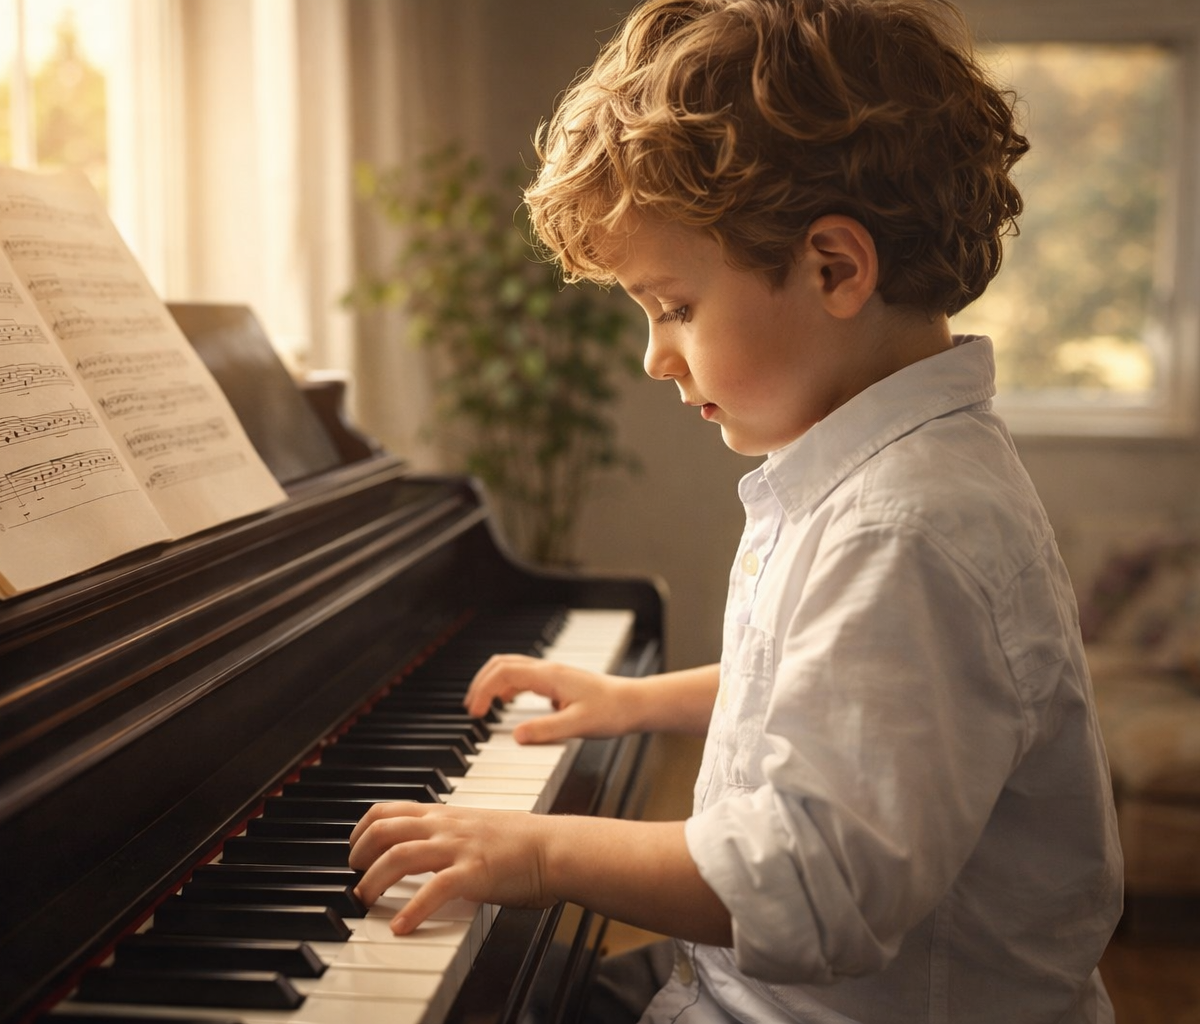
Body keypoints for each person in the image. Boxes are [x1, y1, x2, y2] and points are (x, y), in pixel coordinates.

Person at [348, 0, 1124, 1020]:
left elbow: (816, 885)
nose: (654, 356)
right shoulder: (886, 477)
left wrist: (536, 850)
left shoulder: (906, 527)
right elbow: (823, 680)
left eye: (674, 306)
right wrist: (635, 701)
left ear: (835, 268)